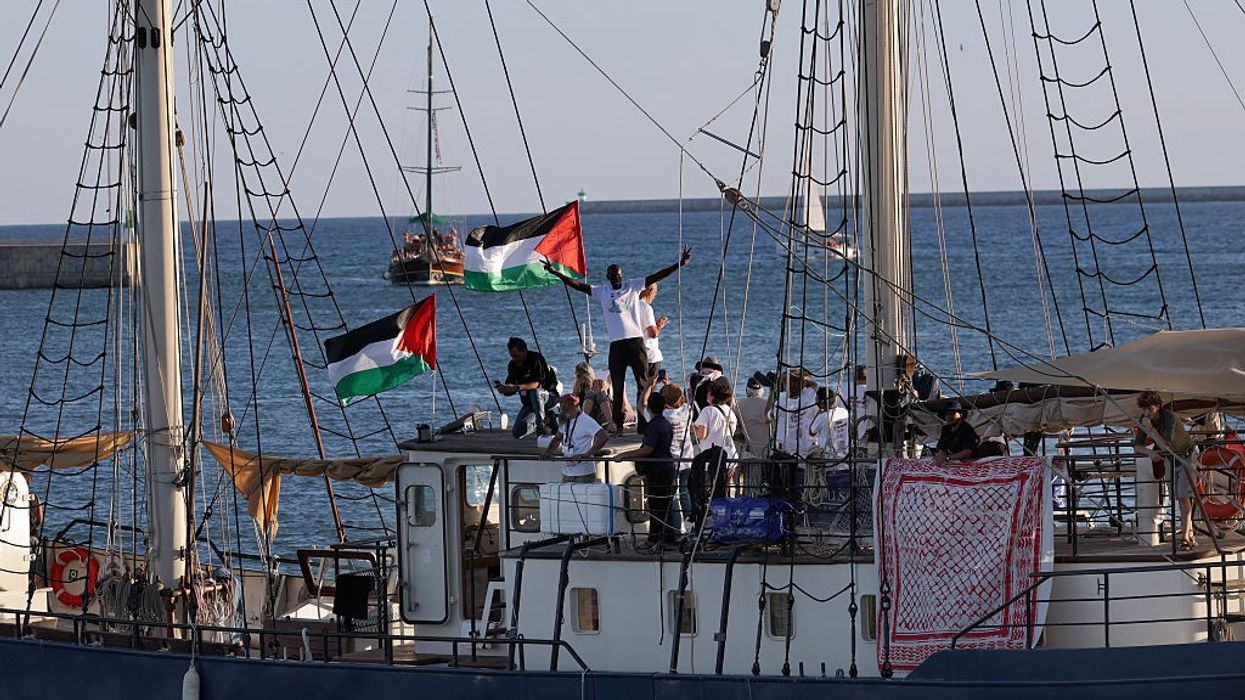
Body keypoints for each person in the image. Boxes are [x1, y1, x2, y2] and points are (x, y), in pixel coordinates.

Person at [544, 247, 693, 434]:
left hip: (635, 342)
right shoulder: (602, 292)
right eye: (614, 276)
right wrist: (555, 272)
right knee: (617, 382)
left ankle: (644, 425)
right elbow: (577, 285)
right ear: (608, 277)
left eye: (620, 275)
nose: (618, 279)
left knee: (643, 384)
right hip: (617, 345)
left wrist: (680, 264)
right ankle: (618, 426)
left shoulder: (633, 286)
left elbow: (656, 276)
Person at [1133, 390, 1197, 549]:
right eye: (1144, 409)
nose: (1146, 413)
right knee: (1178, 497)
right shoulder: (1144, 420)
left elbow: (1166, 446)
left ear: (1158, 407)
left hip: (1185, 456)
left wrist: (1152, 430)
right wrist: (1150, 453)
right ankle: (1189, 532)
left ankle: (1185, 538)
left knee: (1183, 496)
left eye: (1150, 409)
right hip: (1170, 460)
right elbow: (1137, 446)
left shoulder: (1169, 417)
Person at [618, 393, 677, 552]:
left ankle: (654, 539)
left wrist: (624, 455)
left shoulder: (655, 425)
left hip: (658, 470)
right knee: (664, 505)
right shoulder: (665, 423)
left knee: (656, 505)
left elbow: (647, 449)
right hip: (666, 466)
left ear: (650, 408)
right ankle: (668, 539)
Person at [689, 379, 738, 534]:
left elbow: (701, 434)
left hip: (713, 457)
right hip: (730, 455)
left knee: (709, 493)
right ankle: (728, 523)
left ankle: (713, 526)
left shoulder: (707, 411)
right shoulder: (730, 411)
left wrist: (693, 428)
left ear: (712, 394)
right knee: (727, 490)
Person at [541, 394, 610, 483]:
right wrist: (548, 452)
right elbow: (557, 438)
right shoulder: (565, 420)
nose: (560, 407)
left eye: (563, 404)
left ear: (571, 405)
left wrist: (587, 454)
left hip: (583, 473)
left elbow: (604, 437)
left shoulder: (586, 421)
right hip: (567, 472)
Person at [498, 337, 557, 438]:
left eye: (516, 355)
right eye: (511, 355)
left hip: (548, 397)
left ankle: (541, 427)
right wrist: (506, 389)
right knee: (517, 433)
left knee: (535, 392)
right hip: (529, 402)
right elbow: (511, 385)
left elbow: (538, 384)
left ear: (524, 350)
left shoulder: (536, 359)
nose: (514, 358)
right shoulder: (512, 365)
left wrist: (517, 387)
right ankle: (547, 419)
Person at [637, 284, 669, 431]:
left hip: (639, 353)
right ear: (649, 291)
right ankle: (651, 423)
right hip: (650, 354)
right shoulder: (646, 308)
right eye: (655, 291)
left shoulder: (633, 306)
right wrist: (659, 325)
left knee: (641, 389)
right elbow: (652, 333)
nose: (656, 294)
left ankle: (642, 425)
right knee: (650, 388)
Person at [770, 369, 818, 457]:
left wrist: (772, 392)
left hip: (785, 444)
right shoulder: (807, 396)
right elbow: (815, 385)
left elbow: (768, 417)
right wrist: (803, 382)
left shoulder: (781, 400)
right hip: (803, 444)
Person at [572, 362, 616, 434]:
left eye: (581, 375)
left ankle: (611, 424)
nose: (580, 377)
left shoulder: (600, 382)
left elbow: (608, 395)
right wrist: (577, 385)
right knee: (591, 395)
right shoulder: (579, 386)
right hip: (589, 416)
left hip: (601, 415)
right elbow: (573, 401)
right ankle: (582, 423)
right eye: (578, 375)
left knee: (598, 394)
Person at [808, 387, 851, 459]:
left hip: (828, 456)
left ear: (821, 403)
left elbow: (811, 432)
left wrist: (818, 414)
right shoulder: (844, 411)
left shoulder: (822, 416)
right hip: (844, 453)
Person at [736, 376, 770, 458]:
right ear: (762, 390)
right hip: (769, 450)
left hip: (750, 452)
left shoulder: (739, 405)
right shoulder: (769, 404)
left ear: (747, 390)